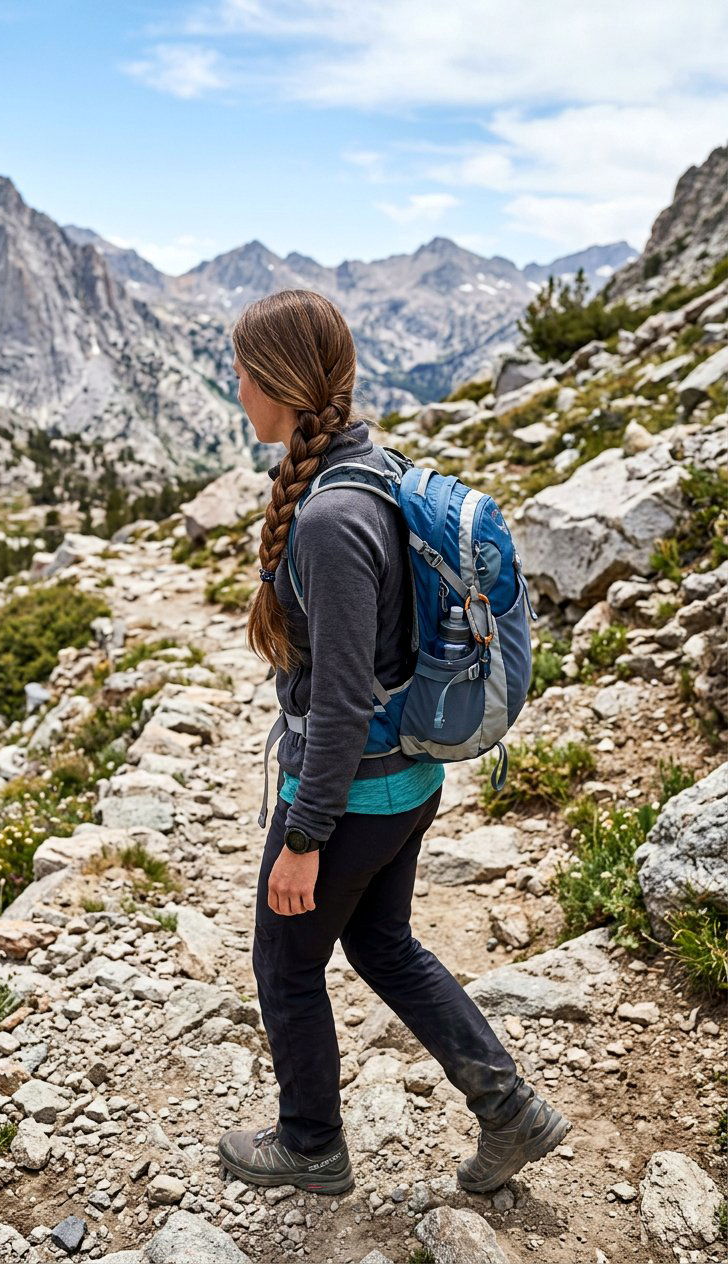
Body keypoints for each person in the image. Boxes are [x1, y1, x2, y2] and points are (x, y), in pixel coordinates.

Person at [217, 289, 571, 1196]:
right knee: (381, 944)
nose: (237, 389)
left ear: (279, 384)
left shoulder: (329, 520)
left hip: (354, 791)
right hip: (404, 783)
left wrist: (303, 837)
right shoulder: (371, 467)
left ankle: (310, 1146)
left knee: (285, 965)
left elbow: (338, 702)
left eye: (244, 373)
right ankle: (510, 1111)